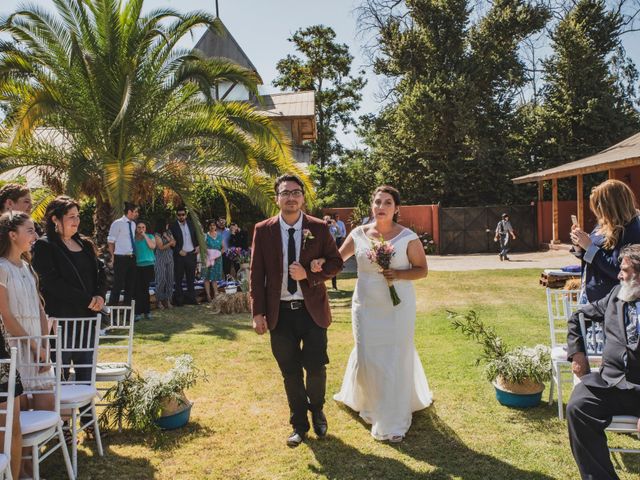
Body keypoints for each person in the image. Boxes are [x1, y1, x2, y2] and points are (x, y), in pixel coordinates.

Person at [328, 185, 432, 442]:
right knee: (368, 353)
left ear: (396, 208)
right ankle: (369, 401)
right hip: (365, 306)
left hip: (398, 307)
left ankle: (393, 414)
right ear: (371, 206)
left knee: (396, 354)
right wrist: (318, 263)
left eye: (387, 202)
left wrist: (398, 274)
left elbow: (422, 270)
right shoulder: (358, 234)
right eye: (377, 202)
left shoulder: (408, 237)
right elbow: (337, 261)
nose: (381, 207)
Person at [250, 173, 343, 447]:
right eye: (285, 192)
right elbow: (256, 274)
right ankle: (299, 425)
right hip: (279, 313)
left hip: (311, 310)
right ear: (277, 198)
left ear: (303, 197)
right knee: (289, 371)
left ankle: (317, 410)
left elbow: (336, 262)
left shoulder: (319, 227)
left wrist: (310, 275)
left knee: (316, 368)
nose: (291, 197)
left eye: (295, 192)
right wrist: (257, 313)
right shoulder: (263, 230)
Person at [32, 195, 107, 440]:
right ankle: (62, 426)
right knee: (61, 372)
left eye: (78, 216)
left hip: (87, 319)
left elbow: (100, 271)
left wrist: (99, 296)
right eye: (71, 217)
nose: (77, 221)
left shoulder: (84, 244)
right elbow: (51, 283)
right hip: (61, 321)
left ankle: (88, 422)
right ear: (55, 220)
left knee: (86, 371)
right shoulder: (45, 246)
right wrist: (85, 299)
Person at [566, 244, 640, 480]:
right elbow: (577, 317)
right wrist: (577, 354)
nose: (619, 275)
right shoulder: (615, 295)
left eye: (625, 270)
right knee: (578, 405)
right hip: (610, 384)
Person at [0, 212, 54, 413]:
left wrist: (44, 346)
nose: (35, 236)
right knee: (20, 418)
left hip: (37, 349)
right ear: (12, 235)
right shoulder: (1, 268)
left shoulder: (28, 267)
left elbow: (40, 309)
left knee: (48, 409)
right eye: (30, 230)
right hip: (15, 349)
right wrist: (33, 346)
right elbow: (6, 316)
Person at [570, 179, 640, 304]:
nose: (596, 210)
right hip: (592, 293)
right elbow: (592, 257)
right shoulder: (603, 224)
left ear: (613, 205)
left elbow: (619, 270)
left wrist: (589, 246)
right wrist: (579, 245)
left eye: (599, 205)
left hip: (612, 299)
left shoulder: (631, 229)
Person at [107, 202, 139, 307]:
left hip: (132, 257)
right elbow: (111, 241)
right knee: (118, 285)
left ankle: (127, 313)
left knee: (130, 286)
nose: (136, 214)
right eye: (135, 211)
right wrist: (113, 256)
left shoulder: (133, 224)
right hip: (120, 258)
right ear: (129, 212)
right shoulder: (117, 223)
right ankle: (111, 313)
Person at [170, 206, 199, 306]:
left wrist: (198, 246)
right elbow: (171, 242)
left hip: (191, 254)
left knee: (191, 278)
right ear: (176, 215)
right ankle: (179, 301)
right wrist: (178, 251)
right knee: (178, 279)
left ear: (186, 215)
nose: (181, 217)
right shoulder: (172, 226)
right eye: (179, 215)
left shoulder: (191, 224)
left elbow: (197, 236)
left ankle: (192, 299)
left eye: (183, 215)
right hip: (179, 256)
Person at [133, 220, 156, 320]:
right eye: (139, 227)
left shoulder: (150, 237)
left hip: (148, 266)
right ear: (135, 228)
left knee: (145, 290)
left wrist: (145, 236)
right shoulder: (133, 239)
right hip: (137, 266)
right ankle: (137, 313)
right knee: (138, 290)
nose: (141, 229)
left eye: (143, 227)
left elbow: (152, 246)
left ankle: (147, 312)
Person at [153, 219, 175, 309]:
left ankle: (168, 300)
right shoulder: (156, 235)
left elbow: (174, 244)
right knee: (161, 279)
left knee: (170, 279)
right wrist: (170, 242)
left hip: (169, 258)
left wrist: (168, 238)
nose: (167, 226)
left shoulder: (168, 232)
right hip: (160, 259)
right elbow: (161, 247)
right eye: (166, 224)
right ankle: (159, 301)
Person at [204, 219, 224, 303]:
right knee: (207, 277)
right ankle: (208, 295)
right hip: (208, 259)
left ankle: (216, 294)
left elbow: (223, 248)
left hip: (218, 259)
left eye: (214, 225)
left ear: (216, 226)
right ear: (208, 226)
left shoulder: (219, 236)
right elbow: (203, 248)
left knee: (215, 277)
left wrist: (218, 254)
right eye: (211, 225)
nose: (212, 227)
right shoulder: (205, 236)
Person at [324, 215, 339, 290]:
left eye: (329, 220)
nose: (328, 221)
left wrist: (336, 225)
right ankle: (322, 286)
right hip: (323, 249)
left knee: (333, 267)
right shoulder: (322, 227)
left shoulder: (333, 228)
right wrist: (325, 225)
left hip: (332, 249)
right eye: (326, 220)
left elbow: (340, 234)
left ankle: (334, 285)